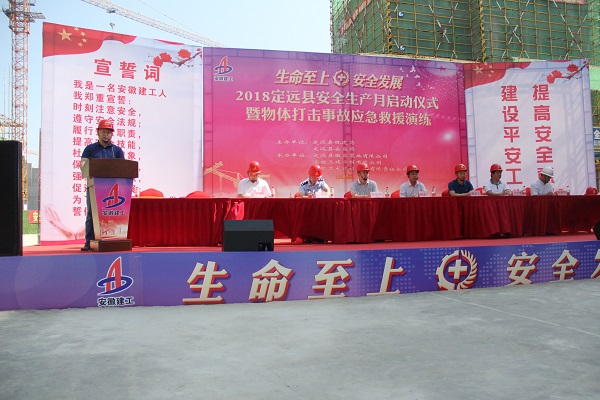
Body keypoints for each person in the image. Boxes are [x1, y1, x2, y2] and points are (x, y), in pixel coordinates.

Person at [80, 119, 125, 251]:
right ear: (98, 132)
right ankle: (89, 242)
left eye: (108, 132)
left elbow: (123, 168)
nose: (106, 134)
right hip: (94, 187)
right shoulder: (90, 149)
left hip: (112, 189)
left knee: (111, 214)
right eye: (103, 132)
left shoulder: (117, 151)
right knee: (91, 215)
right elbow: (83, 165)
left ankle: (112, 240)